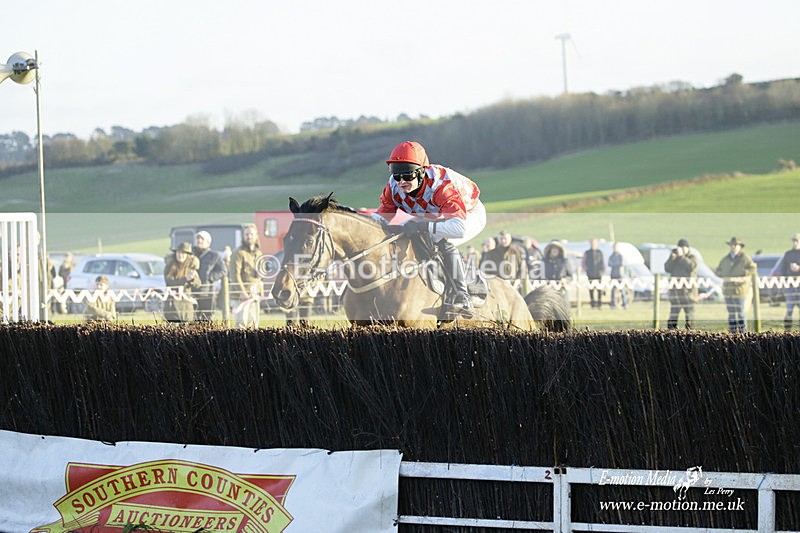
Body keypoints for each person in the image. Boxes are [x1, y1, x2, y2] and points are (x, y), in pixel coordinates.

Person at [372, 141, 486, 317]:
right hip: (433, 214)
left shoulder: (441, 186)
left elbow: (459, 228)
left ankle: (462, 296)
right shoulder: (393, 187)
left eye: (407, 175)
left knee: (440, 238)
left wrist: (422, 226)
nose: (401, 181)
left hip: (468, 214)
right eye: (397, 175)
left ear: (421, 172)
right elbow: (379, 219)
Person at [715, 236, 756, 333]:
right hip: (728, 290)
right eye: (731, 245)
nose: (733, 246)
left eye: (735, 245)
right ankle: (732, 333)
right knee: (731, 314)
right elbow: (718, 271)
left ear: (740, 246)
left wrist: (743, 275)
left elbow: (753, 268)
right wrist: (725, 275)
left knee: (741, 313)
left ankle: (743, 333)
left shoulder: (745, 258)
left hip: (739, 290)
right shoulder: (725, 259)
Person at [230, 223, 263, 328]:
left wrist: (261, 274)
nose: (249, 236)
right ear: (243, 236)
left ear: (256, 235)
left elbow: (260, 274)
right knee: (242, 326)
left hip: (255, 295)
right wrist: (241, 291)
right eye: (246, 234)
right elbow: (234, 275)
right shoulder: (238, 252)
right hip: (241, 297)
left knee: (254, 325)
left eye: (251, 234)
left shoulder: (259, 253)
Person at [192, 231, 227, 321]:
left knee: (206, 320)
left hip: (207, 294)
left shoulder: (214, 256)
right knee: (191, 320)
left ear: (208, 242)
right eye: (197, 238)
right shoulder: (190, 254)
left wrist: (209, 277)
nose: (199, 240)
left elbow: (223, 271)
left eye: (202, 239)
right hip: (191, 293)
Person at [664, 238, 698, 329]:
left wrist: (682, 256)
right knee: (673, 317)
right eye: (680, 247)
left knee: (689, 317)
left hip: (688, 293)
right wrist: (672, 257)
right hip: (676, 292)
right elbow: (667, 268)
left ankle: (690, 333)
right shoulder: (675, 258)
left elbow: (691, 266)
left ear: (688, 248)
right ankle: (672, 333)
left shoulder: (692, 257)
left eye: (683, 247)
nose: (681, 249)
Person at [164, 242, 201, 323]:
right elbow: (169, 283)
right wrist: (185, 279)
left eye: (183, 253)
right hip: (172, 304)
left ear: (188, 255)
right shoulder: (169, 266)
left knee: (187, 327)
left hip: (187, 304)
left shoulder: (191, 266)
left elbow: (198, 284)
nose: (180, 255)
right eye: (178, 252)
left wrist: (192, 279)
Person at [777, 232, 800, 331]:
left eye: (797, 241)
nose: (795, 243)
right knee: (789, 309)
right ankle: (787, 331)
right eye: (794, 241)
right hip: (790, 285)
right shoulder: (788, 254)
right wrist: (785, 278)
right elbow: (782, 269)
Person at [542, 240, 574, 307]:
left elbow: (570, 276)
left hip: (562, 290)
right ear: (550, 249)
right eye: (553, 248)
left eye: (556, 248)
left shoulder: (565, 261)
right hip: (548, 290)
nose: (555, 250)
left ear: (559, 250)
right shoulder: (544, 262)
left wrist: (565, 279)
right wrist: (546, 281)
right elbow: (540, 276)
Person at [582, 238, 605, 308]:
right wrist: (586, 269)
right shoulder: (587, 253)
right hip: (590, 273)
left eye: (595, 243)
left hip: (598, 273)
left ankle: (599, 303)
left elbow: (603, 262)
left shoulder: (600, 252)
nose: (593, 244)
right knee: (591, 289)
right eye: (592, 243)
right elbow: (583, 262)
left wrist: (603, 270)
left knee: (599, 289)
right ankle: (592, 303)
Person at [607, 242, 628, 310]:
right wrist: (616, 264)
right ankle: (613, 304)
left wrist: (615, 264)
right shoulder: (611, 256)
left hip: (620, 275)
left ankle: (625, 303)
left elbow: (621, 263)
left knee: (622, 290)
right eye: (614, 247)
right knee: (613, 290)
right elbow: (609, 264)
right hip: (613, 275)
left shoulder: (620, 256)